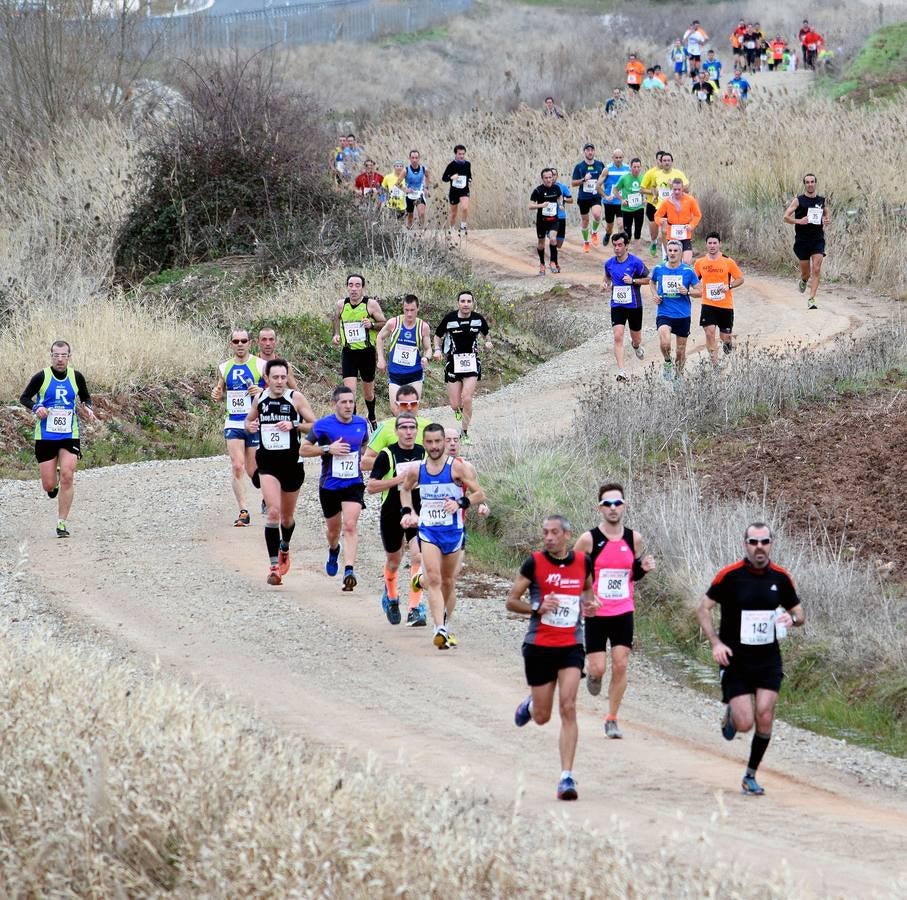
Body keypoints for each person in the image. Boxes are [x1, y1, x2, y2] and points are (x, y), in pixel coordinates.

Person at [696, 522, 805, 796]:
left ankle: (750, 775)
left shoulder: (781, 578)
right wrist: (716, 643)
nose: (759, 547)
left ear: (771, 544)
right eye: (753, 542)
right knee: (745, 724)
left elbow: (800, 614)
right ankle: (733, 715)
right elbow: (703, 608)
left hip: (768, 659)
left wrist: (790, 619)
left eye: (764, 542)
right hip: (736, 660)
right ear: (745, 544)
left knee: (765, 714)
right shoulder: (730, 576)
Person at [508, 515, 595, 801]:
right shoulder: (534, 563)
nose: (548, 538)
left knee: (568, 706)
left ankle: (566, 778)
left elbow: (587, 593)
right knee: (543, 717)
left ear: (567, 535)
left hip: (571, 644)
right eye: (545, 532)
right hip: (539, 645)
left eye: (554, 533)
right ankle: (532, 704)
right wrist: (537, 606)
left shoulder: (583, 563)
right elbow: (511, 601)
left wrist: (590, 606)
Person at [573, 484, 655, 738]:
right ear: (600, 508)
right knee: (598, 668)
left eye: (617, 503)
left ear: (624, 506)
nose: (613, 508)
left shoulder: (634, 538)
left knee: (621, 664)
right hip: (596, 614)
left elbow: (633, 573)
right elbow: (573, 571)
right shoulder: (588, 539)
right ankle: (594, 677)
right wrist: (587, 597)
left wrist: (643, 568)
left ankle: (612, 718)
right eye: (607, 504)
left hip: (623, 611)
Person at [400, 423, 486, 649]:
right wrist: (408, 511)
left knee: (448, 580)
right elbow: (405, 489)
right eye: (429, 442)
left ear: (444, 443)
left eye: (438, 442)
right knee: (435, 579)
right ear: (424, 443)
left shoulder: (457, 468)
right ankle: (438, 628)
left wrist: (460, 502)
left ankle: (446, 624)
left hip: (453, 532)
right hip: (428, 531)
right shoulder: (417, 469)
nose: (434, 446)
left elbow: (479, 493)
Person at [243, 360, 315, 585]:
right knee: (273, 512)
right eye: (275, 378)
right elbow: (248, 420)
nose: (280, 382)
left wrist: (294, 425)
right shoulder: (260, 398)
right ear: (267, 378)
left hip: (292, 463)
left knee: (286, 517)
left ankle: (285, 546)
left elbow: (315, 425)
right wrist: (250, 426)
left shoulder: (295, 398)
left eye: (283, 377)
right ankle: (274, 566)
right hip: (267, 464)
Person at [20, 340, 100, 538]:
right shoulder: (42, 376)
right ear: (51, 356)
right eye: (56, 355)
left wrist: (88, 408)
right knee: (48, 485)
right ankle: (52, 485)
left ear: (69, 357)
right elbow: (24, 398)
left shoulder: (76, 376)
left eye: (64, 355)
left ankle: (61, 523)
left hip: (69, 433)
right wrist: (37, 408)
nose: (60, 359)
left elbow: (85, 397)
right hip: (46, 434)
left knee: (68, 474)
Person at [300, 385, 371, 591]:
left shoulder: (361, 423)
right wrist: (327, 449)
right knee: (333, 530)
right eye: (344, 402)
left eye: (351, 402)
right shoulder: (323, 426)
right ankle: (333, 549)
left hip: (353, 484)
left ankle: (349, 570)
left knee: (350, 525)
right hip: (330, 485)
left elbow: (365, 445)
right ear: (335, 404)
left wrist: (364, 460)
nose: (349, 406)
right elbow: (303, 450)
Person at [366, 412, 427, 627]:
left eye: (412, 428)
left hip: (417, 512)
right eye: (404, 428)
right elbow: (371, 487)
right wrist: (398, 480)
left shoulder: (423, 452)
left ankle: (415, 608)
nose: (409, 432)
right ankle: (391, 596)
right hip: (391, 512)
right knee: (394, 560)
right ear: (396, 431)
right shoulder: (387, 454)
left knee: (418, 556)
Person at [211, 328, 264, 527]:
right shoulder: (224, 367)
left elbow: (274, 391)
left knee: (253, 470)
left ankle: (267, 496)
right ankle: (243, 511)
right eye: (236, 341)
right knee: (237, 466)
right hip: (233, 421)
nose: (240, 344)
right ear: (231, 344)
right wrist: (216, 394)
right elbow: (219, 390)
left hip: (254, 422)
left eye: (243, 340)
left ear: (250, 343)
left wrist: (261, 391)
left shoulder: (261, 364)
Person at [433, 290, 491, 445]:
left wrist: (488, 342)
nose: (466, 304)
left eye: (468, 301)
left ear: (473, 303)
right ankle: (458, 410)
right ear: (458, 303)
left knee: (467, 398)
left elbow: (487, 334)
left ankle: (464, 432)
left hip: (471, 363)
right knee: (454, 404)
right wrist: (437, 350)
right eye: (463, 301)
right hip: (453, 364)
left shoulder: (478, 319)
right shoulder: (450, 319)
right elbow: (437, 336)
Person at [331, 273, 386, 428]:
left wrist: (372, 325)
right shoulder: (341, 304)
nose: (354, 289)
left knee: (368, 393)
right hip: (349, 353)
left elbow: (384, 323)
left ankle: (372, 417)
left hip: (367, 353)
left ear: (362, 287)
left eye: (357, 285)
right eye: (350, 285)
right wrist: (336, 334)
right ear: (347, 287)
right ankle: (353, 424)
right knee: (350, 392)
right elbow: (336, 318)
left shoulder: (371, 305)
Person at [602, 232, 649, 382]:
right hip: (617, 305)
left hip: (634, 305)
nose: (617, 248)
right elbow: (607, 277)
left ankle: (636, 346)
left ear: (626, 246)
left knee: (636, 338)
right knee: (617, 336)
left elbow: (648, 279)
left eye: (620, 245)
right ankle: (622, 371)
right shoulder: (609, 263)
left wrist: (633, 280)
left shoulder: (636, 262)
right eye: (614, 245)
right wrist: (605, 283)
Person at [650, 240, 699, 380]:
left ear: (681, 253)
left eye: (675, 251)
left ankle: (678, 376)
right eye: (670, 250)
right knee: (665, 341)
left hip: (683, 314)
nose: (672, 253)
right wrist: (654, 295)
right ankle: (667, 362)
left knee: (680, 350)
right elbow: (652, 282)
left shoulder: (688, 271)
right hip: (664, 312)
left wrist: (688, 291)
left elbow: (700, 291)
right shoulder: (659, 268)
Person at [694, 232, 745, 363]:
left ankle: (728, 343)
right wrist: (693, 290)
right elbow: (693, 280)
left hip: (725, 305)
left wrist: (729, 286)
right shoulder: (699, 262)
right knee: (709, 333)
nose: (712, 246)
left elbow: (740, 279)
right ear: (706, 245)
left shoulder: (728, 261)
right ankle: (715, 364)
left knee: (725, 336)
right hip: (708, 304)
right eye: (709, 243)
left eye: (714, 243)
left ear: (719, 244)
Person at [375, 294, 432, 405]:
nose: (409, 314)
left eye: (412, 310)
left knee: (412, 409)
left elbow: (428, 348)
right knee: (396, 408)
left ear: (418, 308)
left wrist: (426, 358)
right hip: (395, 374)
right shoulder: (393, 323)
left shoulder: (423, 327)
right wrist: (381, 359)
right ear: (403, 308)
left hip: (414, 374)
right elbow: (379, 338)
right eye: (406, 310)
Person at [361, 383, 431, 471]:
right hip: (394, 483)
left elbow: (444, 457)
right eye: (404, 404)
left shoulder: (429, 427)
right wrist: (393, 462)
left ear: (418, 404)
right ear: (397, 405)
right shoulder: (385, 427)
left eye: (413, 404)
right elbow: (364, 463)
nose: (409, 408)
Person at [784, 173, 829, 310]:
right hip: (802, 241)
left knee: (816, 269)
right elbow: (786, 217)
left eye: (812, 182)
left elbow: (826, 215)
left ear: (816, 183)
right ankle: (803, 280)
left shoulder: (822, 200)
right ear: (805, 184)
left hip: (817, 240)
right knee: (806, 273)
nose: (810, 184)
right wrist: (799, 221)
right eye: (807, 182)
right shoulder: (798, 200)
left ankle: (812, 299)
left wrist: (826, 220)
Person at [641, 151, 689, 258]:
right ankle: (665, 255)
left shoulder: (678, 174)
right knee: (664, 231)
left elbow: (687, 189)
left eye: (668, 160)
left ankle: (676, 255)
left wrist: (674, 186)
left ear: (672, 162)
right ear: (661, 162)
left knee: (675, 233)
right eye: (664, 161)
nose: (666, 163)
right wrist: (654, 195)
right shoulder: (656, 174)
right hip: (662, 207)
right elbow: (653, 186)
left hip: (676, 208)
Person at [654, 178, 702, 264]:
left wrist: (691, 225)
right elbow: (657, 216)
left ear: (682, 188)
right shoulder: (667, 202)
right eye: (674, 189)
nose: (676, 192)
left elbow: (697, 215)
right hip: (672, 235)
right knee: (675, 262)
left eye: (679, 189)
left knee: (687, 261)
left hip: (685, 233)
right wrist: (661, 221)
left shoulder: (690, 200)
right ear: (672, 189)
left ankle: (686, 274)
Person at [529, 167, 565, 274]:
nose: (549, 180)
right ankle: (542, 264)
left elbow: (560, 197)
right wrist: (541, 205)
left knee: (553, 239)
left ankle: (553, 262)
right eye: (546, 178)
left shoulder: (556, 188)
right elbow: (530, 206)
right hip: (542, 221)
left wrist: (561, 204)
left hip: (554, 219)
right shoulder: (538, 190)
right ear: (542, 179)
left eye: (550, 177)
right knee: (541, 243)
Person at [571, 143, 605, 253]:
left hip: (595, 195)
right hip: (584, 197)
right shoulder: (579, 167)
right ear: (584, 152)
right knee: (585, 221)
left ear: (594, 152)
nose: (590, 152)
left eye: (592, 150)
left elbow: (605, 178)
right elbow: (573, 183)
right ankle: (586, 242)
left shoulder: (600, 165)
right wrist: (583, 180)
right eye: (587, 150)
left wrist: (604, 187)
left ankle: (594, 232)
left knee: (597, 214)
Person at [610, 157, 646, 248]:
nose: (636, 169)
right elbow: (615, 190)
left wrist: (646, 199)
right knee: (628, 232)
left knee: (638, 230)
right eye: (634, 167)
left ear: (641, 167)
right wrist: (621, 199)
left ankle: (637, 250)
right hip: (627, 209)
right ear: (630, 167)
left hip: (639, 207)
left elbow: (647, 191)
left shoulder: (643, 178)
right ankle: (627, 249)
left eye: (638, 167)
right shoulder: (624, 178)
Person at [441, 144, 472, 240]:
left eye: (463, 154)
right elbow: (444, 178)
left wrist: (470, 180)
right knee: (454, 213)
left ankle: (463, 226)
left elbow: (469, 175)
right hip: (454, 191)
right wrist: (451, 177)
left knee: (465, 207)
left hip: (464, 189)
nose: (462, 156)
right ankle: (452, 228)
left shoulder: (467, 164)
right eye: (459, 154)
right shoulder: (451, 165)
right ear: (455, 154)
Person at [599, 148, 629, 243]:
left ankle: (621, 245)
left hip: (621, 201)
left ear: (623, 157)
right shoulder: (607, 169)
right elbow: (597, 186)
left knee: (621, 225)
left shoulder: (628, 169)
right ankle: (608, 234)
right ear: (612, 157)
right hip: (610, 202)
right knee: (609, 226)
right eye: (616, 157)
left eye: (620, 157)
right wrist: (605, 196)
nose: (618, 159)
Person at [404, 149, 430, 229]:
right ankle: (410, 235)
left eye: (416, 158)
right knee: (410, 217)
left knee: (421, 214)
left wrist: (426, 188)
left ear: (419, 158)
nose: (414, 160)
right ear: (409, 158)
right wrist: (406, 189)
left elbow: (428, 176)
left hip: (419, 194)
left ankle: (422, 232)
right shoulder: (406, 170)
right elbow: (398, 183)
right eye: (412, 158)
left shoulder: (424, 169)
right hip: (409, 196)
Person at [550, 168, 574, 249]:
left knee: (559, 244)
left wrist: (564, 199)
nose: (552, 177)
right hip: (550, 216)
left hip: (561, 216)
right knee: (553, 239)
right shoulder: (544, 188)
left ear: (557, 176)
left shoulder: (562, 187)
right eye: (551, 175)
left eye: (554, 175)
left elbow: (571, 200)